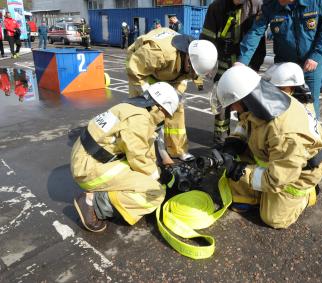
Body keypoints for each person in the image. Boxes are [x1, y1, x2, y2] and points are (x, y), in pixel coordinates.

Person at [210, 65, 322, 228]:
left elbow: (276, 180)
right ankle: (252, 197)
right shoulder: (263, 104)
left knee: (273, 218)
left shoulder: (285, 134)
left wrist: (239, 171)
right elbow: (245, 124)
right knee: (235, 158)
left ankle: (307, 195)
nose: (231, 108)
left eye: (233, 104)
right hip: (281, 157)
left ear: (246, 99)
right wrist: (234, 143)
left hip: (302, 171)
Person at [71, 82, 180, 232]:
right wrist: (157, 178)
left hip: (86, 158)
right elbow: (139, 158)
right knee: (154, 193)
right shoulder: (139, 120)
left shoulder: (130, 108)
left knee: (145, 175)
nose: (164, 119)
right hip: (88, 168)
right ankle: (93, 203)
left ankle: (100, 196)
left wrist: (157, 169)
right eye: (166, 114)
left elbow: (143, 148)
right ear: (159, 107)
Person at [126, 27, 218, 164]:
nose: (195, 75)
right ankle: (141, 153)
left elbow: (187, 77)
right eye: (193, 71)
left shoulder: (196, 56)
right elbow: (134, 69)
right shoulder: (159, 53)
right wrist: (148, 96)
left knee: (177, 107)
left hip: (171, 73)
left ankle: (178, 149)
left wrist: (177, 95)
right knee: (144, 113)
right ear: (188, 60)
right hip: (143, 71)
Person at [237, 0, 322, 118]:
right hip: (284, 66)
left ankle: (312, 135)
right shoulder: (270, 5)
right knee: (281, 108)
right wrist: (241, 62)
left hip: (310, 64)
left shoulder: (317, 2)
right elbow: (256, 32)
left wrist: (316, 56)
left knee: (310, 108)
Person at [200, 0, 266, 147]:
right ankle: (221, 142)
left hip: (245, 67)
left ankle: (249, 142)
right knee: (221, 108)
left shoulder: (256, 6)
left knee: (248, 107)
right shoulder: (216, 7)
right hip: (223, 65)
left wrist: (255, 67)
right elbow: (207, 38)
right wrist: (207, 64)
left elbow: (259, 41)